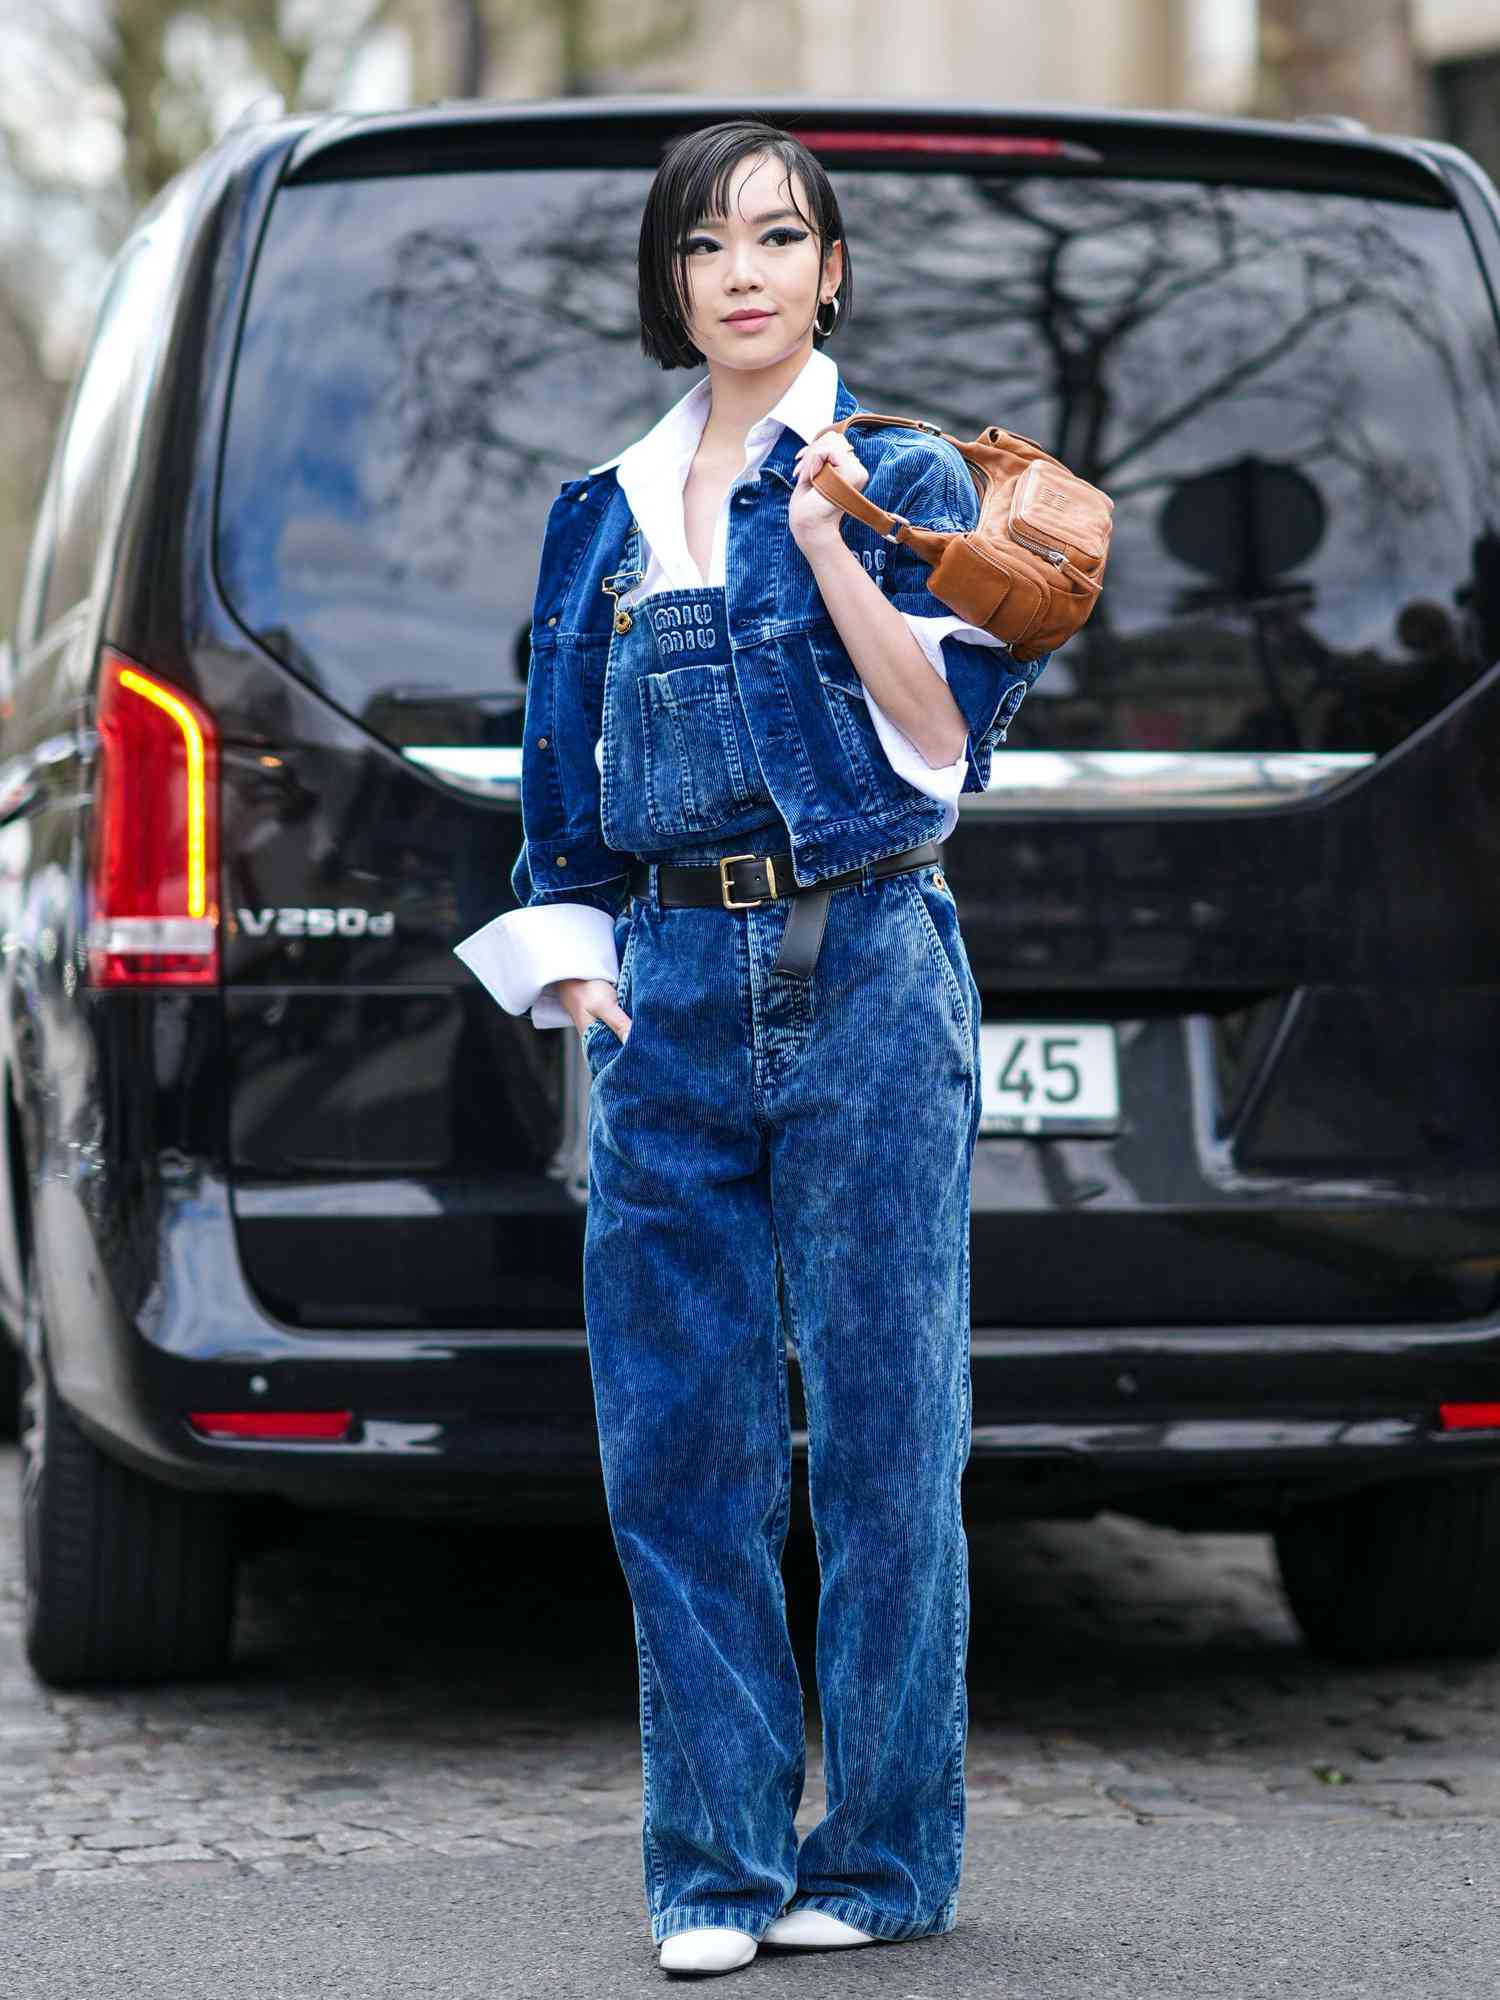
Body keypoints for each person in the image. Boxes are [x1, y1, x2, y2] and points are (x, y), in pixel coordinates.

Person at [458, 116, 1050, 1977]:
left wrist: (834, 549)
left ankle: (879, 1862)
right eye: (709, 242)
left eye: (780, 238)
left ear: (832, 271)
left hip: (867, 968)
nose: (745, 271)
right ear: (672, 280)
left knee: (887, 1439)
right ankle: (710, 1866)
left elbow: (949, 743)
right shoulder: (599, 511)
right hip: (669, 1000)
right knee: (678, 1446)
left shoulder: (903, 473)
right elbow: (556, 800)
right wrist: (575, 978)